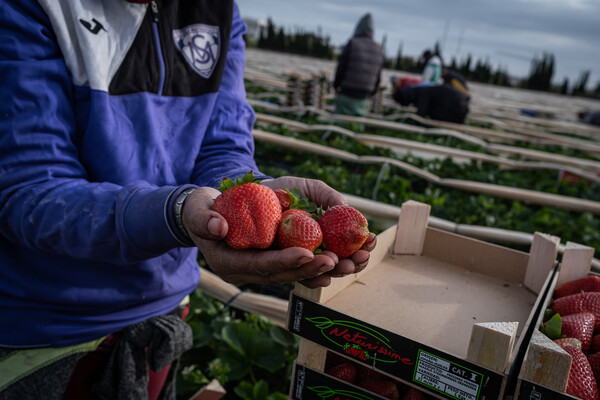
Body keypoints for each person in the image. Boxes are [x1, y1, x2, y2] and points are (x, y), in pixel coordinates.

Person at [0, 1, 377, 399]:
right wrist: (175, 212)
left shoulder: (218, 10)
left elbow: (221, 146)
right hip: (45, 326)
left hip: (164, 311)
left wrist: (254, 195)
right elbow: (27, 187)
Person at [333, 13, 385, 117]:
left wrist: (336, 85)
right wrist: (371, 93)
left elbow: (341, 68)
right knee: (357, 124)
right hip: (364, 96)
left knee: (341, 121)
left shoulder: (353, 43)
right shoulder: (379, 49)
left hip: (347, 92)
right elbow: (378, 77)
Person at [392, 76, 470, 124]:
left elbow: (421, 113)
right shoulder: (418, 89)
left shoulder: (420, 93)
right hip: (460, 101)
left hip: (458, 104)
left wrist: (416, 124)